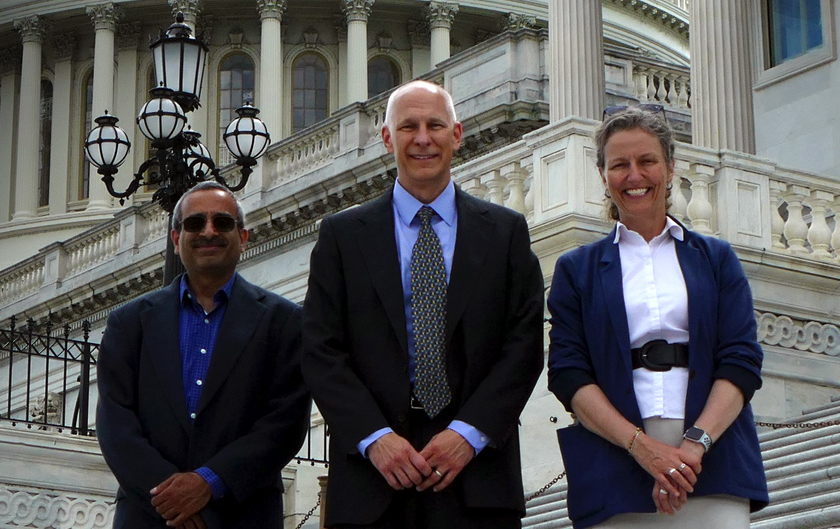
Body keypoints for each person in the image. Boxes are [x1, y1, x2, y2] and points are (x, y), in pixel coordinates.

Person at [302, 81, 546, 528]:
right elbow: (320, 348)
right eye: (408, 126)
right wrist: (375, 438)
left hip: (477, 477)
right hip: (372, 482)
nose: (422, 138)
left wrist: (466, 435)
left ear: (456, 134)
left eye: (435, 125)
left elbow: (524, 344)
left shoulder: (506, 232)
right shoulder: (342, 236)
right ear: (387, 138)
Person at [545, 106, 768, 528]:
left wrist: (694, 447)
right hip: (616, 460)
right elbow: (568, 373)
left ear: (669, 167)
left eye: (647, 161)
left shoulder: (717, 259)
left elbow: (740, 359)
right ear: (603, 175)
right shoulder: (577, 270)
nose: (634, 176)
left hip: (711, 459)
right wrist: (642, 448)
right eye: (620, 165)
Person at [97, 181, 312, 529]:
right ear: (175, 239)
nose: (208, 231)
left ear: (243, 237)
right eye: (195, 223)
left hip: (242, 515)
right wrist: (171, 498)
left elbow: (285, 423)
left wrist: (207, 484)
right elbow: (115, 424)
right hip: (150, 517)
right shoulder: (129, 323)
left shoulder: (284, 322)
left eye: (223, 223)